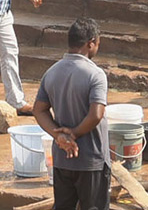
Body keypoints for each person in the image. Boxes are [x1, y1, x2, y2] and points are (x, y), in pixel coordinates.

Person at [32, 18, 110, 210]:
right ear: (90, 43)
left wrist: (59, 136)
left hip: (62, 159)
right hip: (91, 160)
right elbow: (96, 114)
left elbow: (39, 110)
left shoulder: (51, 72)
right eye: (97, 43)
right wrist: (73, 134)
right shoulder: (95, 74)